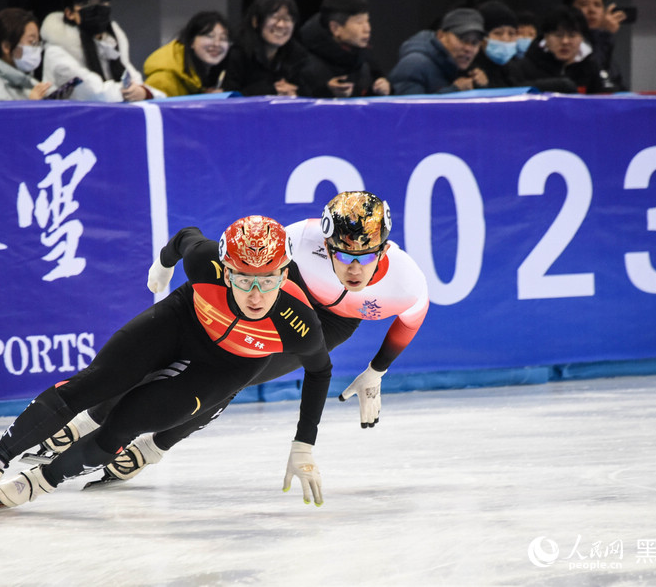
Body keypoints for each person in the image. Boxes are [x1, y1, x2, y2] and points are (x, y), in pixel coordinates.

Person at [0, 216, 333, 512]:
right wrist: (161, 268)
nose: (256, 293)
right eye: (244, 279)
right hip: (183, 321)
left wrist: (304, 443)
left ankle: (43, 480)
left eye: (268, 280)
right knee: (95, 384)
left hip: (227, 366)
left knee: (129, 422)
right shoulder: (204, 261)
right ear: (225, 270)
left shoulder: (298, 323)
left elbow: (320, 370)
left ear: (284, 275)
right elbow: (183, 238)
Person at [44, 192, 430, 489]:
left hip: (331, 325)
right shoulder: (299, 238)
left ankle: (155, 448)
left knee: (239, 372)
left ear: (385, 248)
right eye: (343, 254)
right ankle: (87, 420)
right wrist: (168, 264)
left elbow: (411, 321)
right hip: (280, 296)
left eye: (367, 256)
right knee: (175, 351)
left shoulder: (406, 280)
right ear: (326, 244)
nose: (354, 267)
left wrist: (376, 371)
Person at [40, 0, 160, 102]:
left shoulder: (111, 46)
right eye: (86, 3)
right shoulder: (56, 51)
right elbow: (96, 94)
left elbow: (141, 85)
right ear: (69, 13)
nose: (97, 8)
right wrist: (131, 92)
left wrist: (144, 92)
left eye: (102, 2)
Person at [298, 0, 391, 98]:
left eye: (367, 21)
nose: (367, 29)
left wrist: (383, 89)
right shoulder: (301, 61)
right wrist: (327, 92)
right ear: (335, 28)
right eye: (359, 22)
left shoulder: (365, 58)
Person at [222, 0, 310, 97]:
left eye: (287, 19)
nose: (281, 25)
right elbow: (229, 97)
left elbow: (307, 93)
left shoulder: (297, 55)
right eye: (274, 17)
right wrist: (271, 90)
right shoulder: (238, 53)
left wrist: (293, 92)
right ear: (255, 21)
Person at [505, 5, 609, 94]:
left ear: (582, 37)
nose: (565, 41)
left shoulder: (591, 68)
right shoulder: (523, 68)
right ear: (545, 36)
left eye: (572, 36)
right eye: (558, 35)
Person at [389, 7, 488, 95]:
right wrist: (454, 91)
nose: (468, 48)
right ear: (441, 36)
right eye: (463, 39)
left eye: (475, 43)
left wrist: (480, 88)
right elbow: (408, 112)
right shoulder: (413, 65)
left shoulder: (470, 70)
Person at [142, 11, 231, 97]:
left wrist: (203, 97)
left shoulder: (200, 74)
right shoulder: (164, 79)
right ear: (191, 41)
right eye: (209, 36)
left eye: (223, 38)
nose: (217, 44)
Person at [563, 0, 627, 91]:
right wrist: (605, 34)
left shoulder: (600, 40)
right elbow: (594, 73)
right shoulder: (566, 42)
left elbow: (614, 82)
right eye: (584, 4)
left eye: (597, 5)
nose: (592, 10)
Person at [471, 0, 520, 89]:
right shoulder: (470, 70)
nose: (506, 39)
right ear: (481, 37)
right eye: (498, 33)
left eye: (511, 33)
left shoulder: (513, 70)